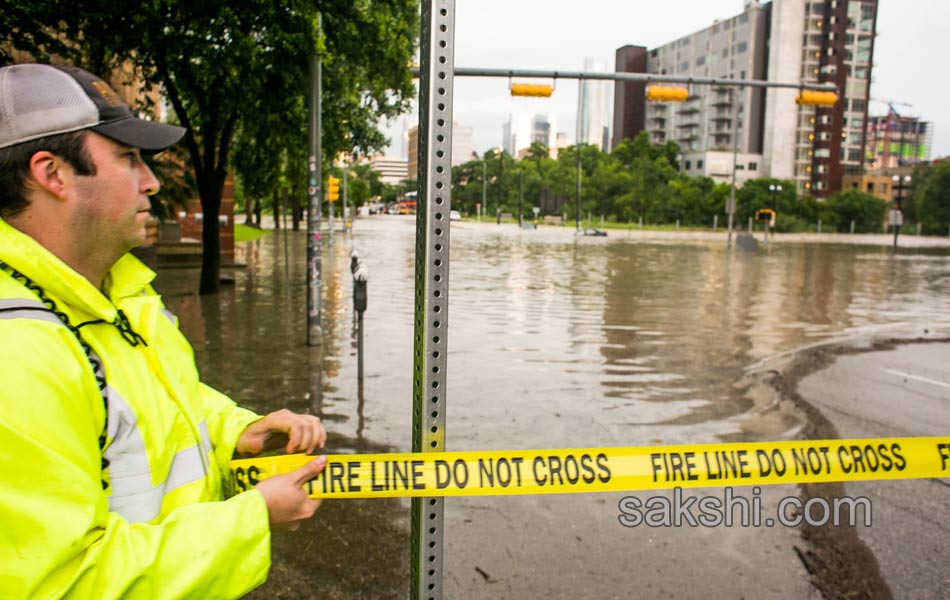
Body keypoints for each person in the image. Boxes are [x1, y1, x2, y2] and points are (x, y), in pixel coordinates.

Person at [0, 63, 327, 598]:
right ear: (51, 173)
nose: (150, 180)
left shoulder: (121, 294)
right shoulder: (14, 351)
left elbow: (165, 407)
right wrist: (250, 522)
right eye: (127, 159)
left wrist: (235, 435)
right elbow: (60, 583)